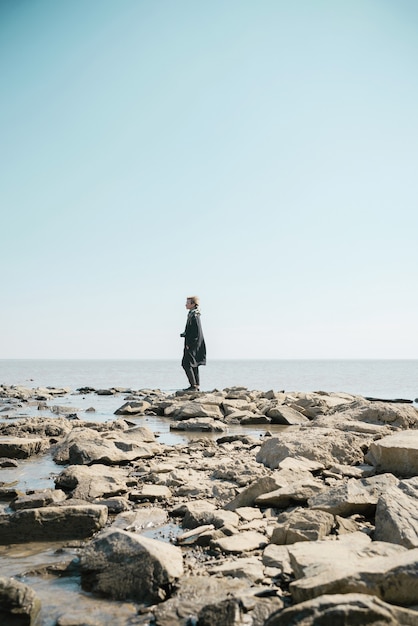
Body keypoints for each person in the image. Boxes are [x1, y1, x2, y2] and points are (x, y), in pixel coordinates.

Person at [180, 296, 206, 391]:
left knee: (186, 364)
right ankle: (196, 385)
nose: (185, 304)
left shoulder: (194, 315)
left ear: (193, 304)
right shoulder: (193, 314)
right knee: (194, 364)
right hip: (195, 343)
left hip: (193, 344)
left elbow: (195, 332)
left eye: (187, 302)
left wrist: (189, 343)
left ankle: (193, 386)